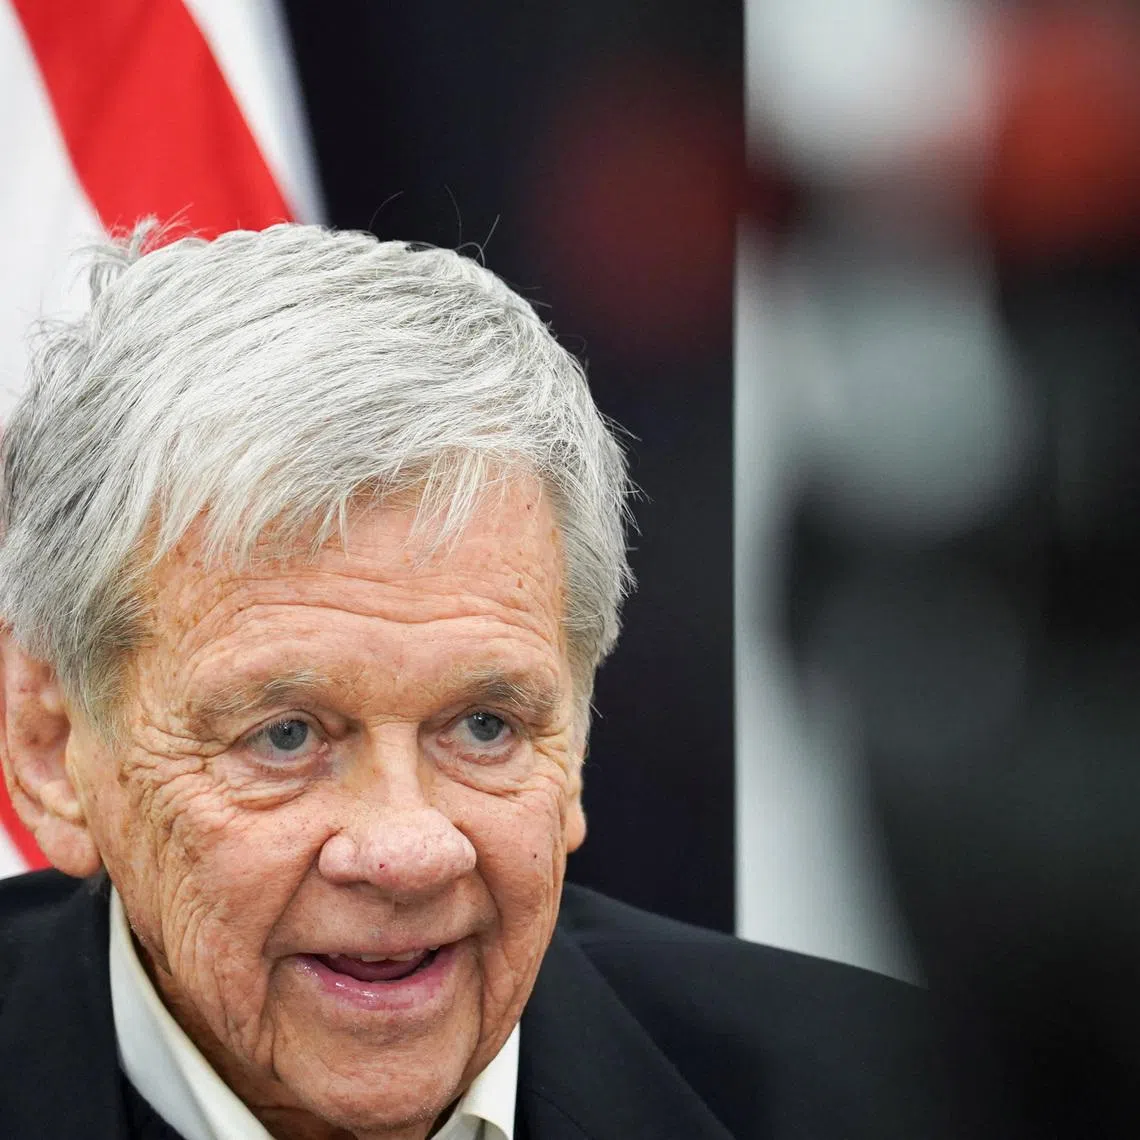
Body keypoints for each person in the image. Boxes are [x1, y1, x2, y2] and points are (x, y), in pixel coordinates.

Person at [0, 224, 939, 1140]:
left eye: (484, 726)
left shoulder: (892, 1096)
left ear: (572, 743)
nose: (410, 853)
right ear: (50, 748)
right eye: (286, 734)